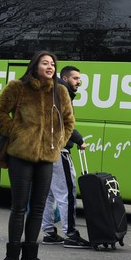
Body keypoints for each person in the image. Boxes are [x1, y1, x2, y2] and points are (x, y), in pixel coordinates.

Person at [0, 50, 74, 260]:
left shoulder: (60, 91)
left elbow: (68, 122)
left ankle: (30, 257)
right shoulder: (18, 87)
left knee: (38, 208)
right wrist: (15, 132)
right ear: (34, 66)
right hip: (20, 156)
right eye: (45, 63)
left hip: (47, 157)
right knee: (18, 207)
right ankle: (12, 257)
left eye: (53, 63)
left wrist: (59, 142)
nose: (50, 66)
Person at [41, 65, 91, 249]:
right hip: (58, 149)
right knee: (67, 193)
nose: (79, 82)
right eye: (76, 78)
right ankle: (71, 234)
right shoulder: (62, 93)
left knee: (48, 193)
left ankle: (48, 232)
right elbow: (63, 122)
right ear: (65, 77)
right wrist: (79, 140)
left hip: (44, 149)